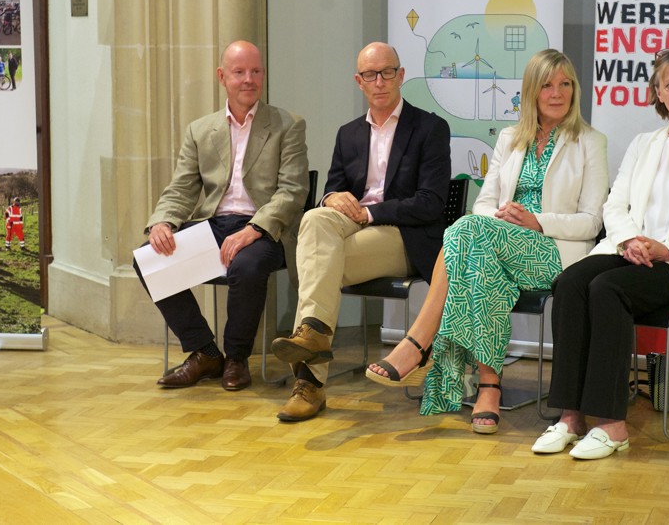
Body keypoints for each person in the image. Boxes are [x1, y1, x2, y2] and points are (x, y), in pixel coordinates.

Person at [366, 49, 608, 433]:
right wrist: (501, 224)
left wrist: (536, 222)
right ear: (532, 91)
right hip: (495, 248)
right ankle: (489, 385)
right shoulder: (511, 138)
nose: (557, 93)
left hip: (554, 252)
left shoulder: (590, 142)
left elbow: (593, 222)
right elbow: (483, 204)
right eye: (547, 85)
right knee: (475, 250)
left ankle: (420, 342)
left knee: (462, 232)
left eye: (565, 84)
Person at [533, 46, 669, 460]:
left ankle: (612, 425)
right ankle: (570, 416)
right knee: (573, 281)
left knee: (607, 289)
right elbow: (615, 205)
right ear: (658, 93)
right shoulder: (644, 144)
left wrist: (667, 248)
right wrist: (630, 239)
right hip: (630, 249)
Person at [270, 41, 451, 422]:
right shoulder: (348, 133)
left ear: (401, 76)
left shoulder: (430, 128)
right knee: (315, 220)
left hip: (404, 236)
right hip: (350, 230)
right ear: (359, 81)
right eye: (370, 74)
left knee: (316, 260)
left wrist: (370, 213)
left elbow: (431, 203)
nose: (380, 81)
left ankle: (310, 384)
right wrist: (333, 197)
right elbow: (333, 188)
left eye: (387, 72)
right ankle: (314, 335)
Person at [133, 40, 309, 392]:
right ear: (222, 77)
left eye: (255, 71)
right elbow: (182, 187)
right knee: (148, 258)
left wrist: (254, 228)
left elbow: (293, 191)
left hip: (265, 231)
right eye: (239, 72)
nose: (249, 79)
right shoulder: (201, 130)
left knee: (246, 265)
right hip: (214, 225)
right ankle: (204, 352)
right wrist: (162, 222)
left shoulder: (287, 124)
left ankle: (236, 358)